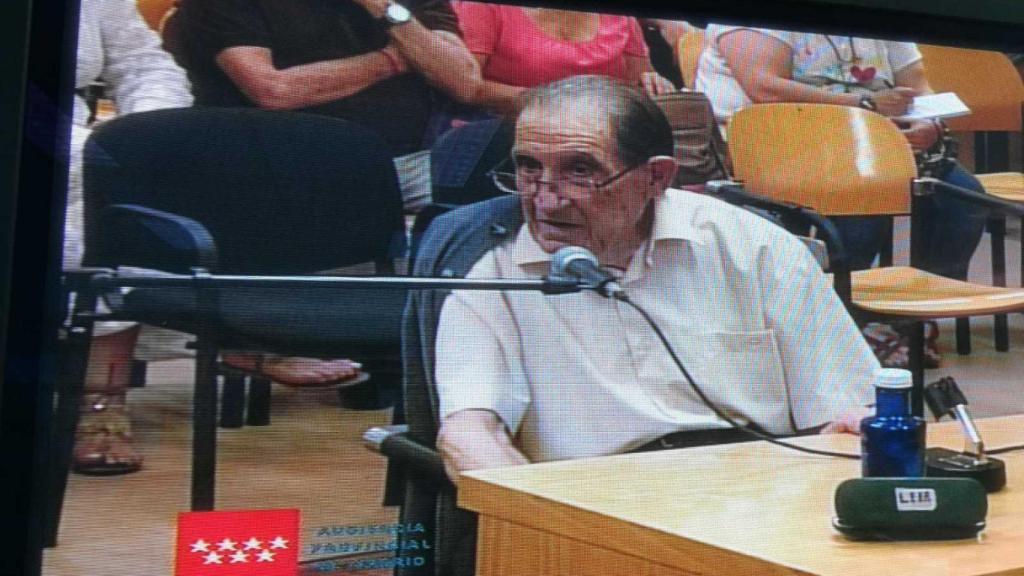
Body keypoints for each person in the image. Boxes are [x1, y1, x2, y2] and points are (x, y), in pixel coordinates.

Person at [433, 75, 880, 480]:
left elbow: (843, 405)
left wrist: (846, 430)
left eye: (580, 172)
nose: (546, 202)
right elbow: (469, 433)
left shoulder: (750, 246)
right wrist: (540, 515)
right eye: (529, 168)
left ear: (657, 176)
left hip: (756, 491)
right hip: (596, 504)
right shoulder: (490, 268)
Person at [695, 27, 990, 367]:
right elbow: (764, 86)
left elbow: (919, 86)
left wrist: (930, 123)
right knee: (860, 204)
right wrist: (863, 105)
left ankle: (907, 317)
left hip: (877, 141)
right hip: (789, 142)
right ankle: (847, 323)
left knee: (964, 198)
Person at [171, 0, 481, 213]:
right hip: (284, 166)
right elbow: (273, 90)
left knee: (496, 194)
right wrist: (395, 59)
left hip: (411, 164)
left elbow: (463, 82)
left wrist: (383, 8)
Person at [69, 0, 194, 475]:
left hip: (79, 137)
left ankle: (101, 405)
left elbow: (144, 64)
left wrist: (142, 129)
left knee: (130, 179)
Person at [451, 2, 676, 116]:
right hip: (505, 131)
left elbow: (639, 82)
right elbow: (467, 86)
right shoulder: (483, 7)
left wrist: (656, 84)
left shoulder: (620, 17)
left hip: (601, 133)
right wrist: (561, 102)